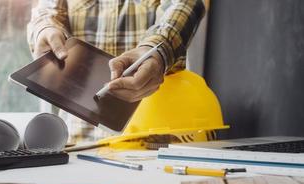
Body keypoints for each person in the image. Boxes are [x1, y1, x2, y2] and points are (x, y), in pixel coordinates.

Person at [27, 0, 205, 139]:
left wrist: (155, 50)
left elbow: (185, 4)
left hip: (153, 140)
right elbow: (48, 11)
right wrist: (44, 29)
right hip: (80, 140)